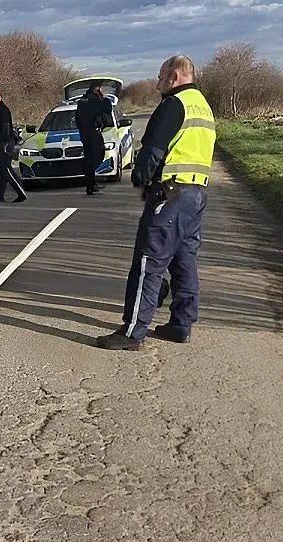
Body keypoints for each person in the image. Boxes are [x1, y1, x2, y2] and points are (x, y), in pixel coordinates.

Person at [97, 55, 215, 351]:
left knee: (149, 263)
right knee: (184, 261)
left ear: (175, 76)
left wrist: (140, 180)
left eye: (161, 76)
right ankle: (181, 324)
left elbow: (153, 150)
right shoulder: (202, 105)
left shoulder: (173, 105)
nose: (158, 82)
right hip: (195, 195)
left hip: (170, 196)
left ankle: (133, 331)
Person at [0, 89, 27, 203]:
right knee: (1, 170)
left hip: (5, 143)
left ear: (0, 98)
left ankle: (21, 192)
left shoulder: (3, 110)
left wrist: (2, 142)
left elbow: (5, 128)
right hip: (3, 143)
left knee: (6, 169)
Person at [76, 81, 113, 195]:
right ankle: (87, 175)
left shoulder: (83, 100)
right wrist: (103, 97)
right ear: (96, 89)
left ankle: (90, 184)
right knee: (97, 155)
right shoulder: (93, 100)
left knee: (90, 156)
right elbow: (107, 107)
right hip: (92, 131)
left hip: (84, 132)